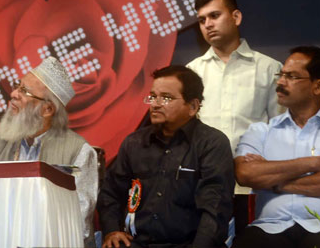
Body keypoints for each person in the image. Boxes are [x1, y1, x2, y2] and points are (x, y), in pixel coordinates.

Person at [234, 46, 320, 248]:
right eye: (281, 75)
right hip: (269, 228)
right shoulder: (261, 131)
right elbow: (245, 173)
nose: (280, 82)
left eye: (291, 76)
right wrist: (314, 163)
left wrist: (276, 183)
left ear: (318, 86)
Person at [98, 66, 234, 248]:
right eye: (153, 96)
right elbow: (111, 193)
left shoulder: (211, 143)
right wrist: (111, 231)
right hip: (137, 243)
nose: (155, 104)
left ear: (192, 106)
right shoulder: (134, 143)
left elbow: (214, 209)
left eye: (166, 98)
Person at [0, 57, 101, 241]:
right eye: (17, 85)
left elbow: (78, 221)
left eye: (24, 91)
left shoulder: (79, 152)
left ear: (47, 110)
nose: (13, 94)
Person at [187, 0, 283, 153]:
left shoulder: (269, 68)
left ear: (236, 17)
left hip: (254, 170)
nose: (208, 24)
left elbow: (281, 127)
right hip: (204, 172)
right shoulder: (191, 71)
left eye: (215, 16)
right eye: (202, 20)